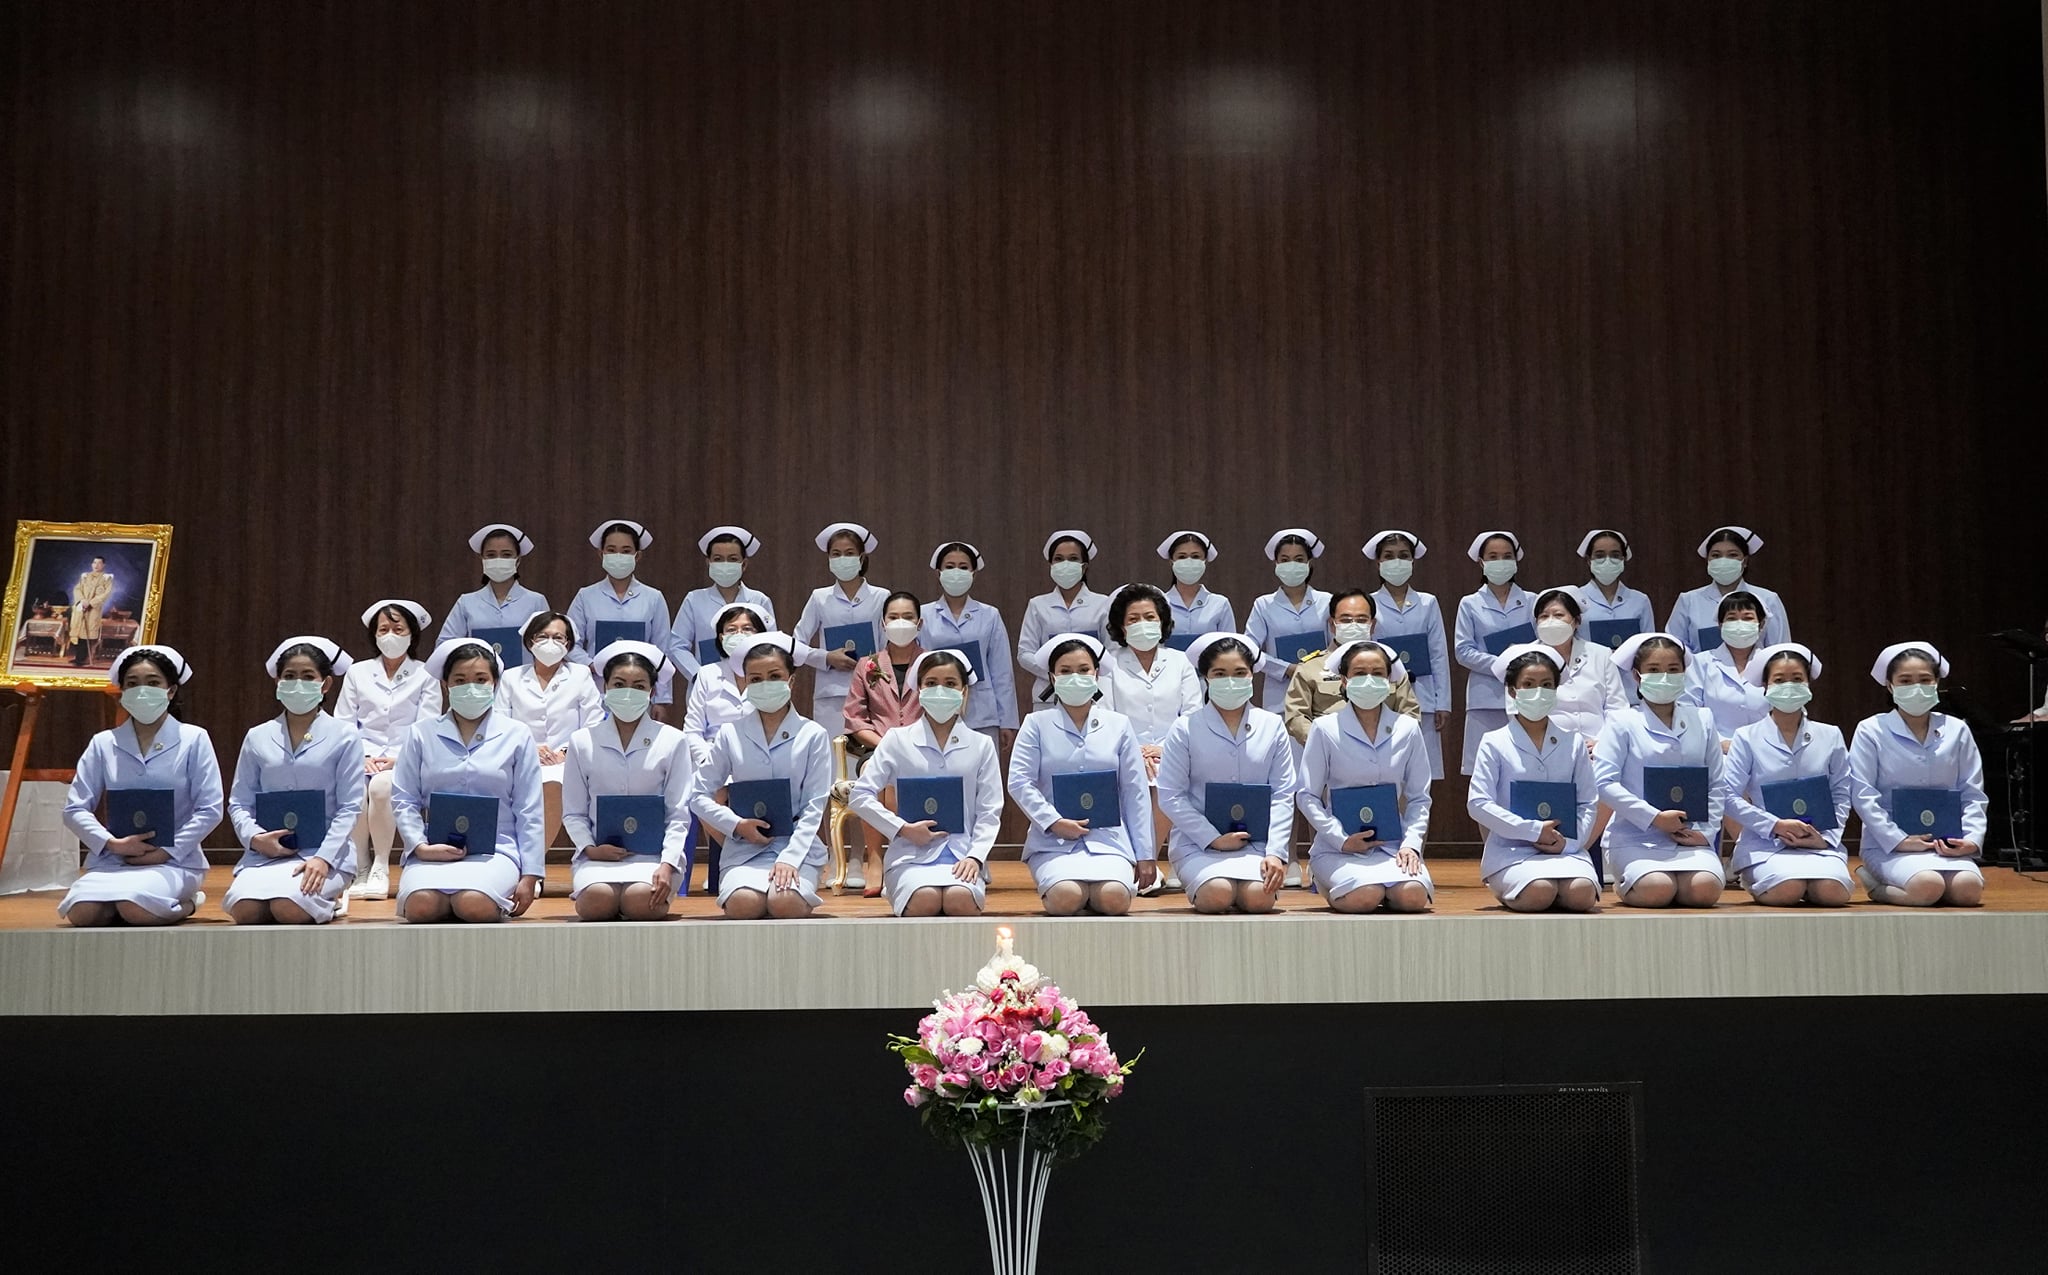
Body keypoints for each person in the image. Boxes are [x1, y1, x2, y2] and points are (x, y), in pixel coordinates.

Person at [58, 645, 222, 925]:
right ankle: (121, 905)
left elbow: (210, 809)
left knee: (135, 907)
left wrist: (166, 851)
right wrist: (111, 844)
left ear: (171, 690)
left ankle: (188, 904)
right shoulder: (103, 743)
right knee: (82, 913)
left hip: (174, 860)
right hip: (115, 858)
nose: (142, 691)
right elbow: (75, 809)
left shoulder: (194, 739)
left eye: (153, 683)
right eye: (132, 684)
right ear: (122, 692)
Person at [389, 639, 546, 922]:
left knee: (473, 903)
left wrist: (531, 874)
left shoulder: (517, 734)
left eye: (480, 679)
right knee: (421, 905)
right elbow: (404, 799)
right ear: (446, 685)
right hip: (433, 850)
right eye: (460, 680)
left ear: (495, 684)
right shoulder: (421, 734)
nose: (470, 687)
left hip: (497, 849)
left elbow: (529, 808)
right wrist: (420, 846)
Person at [1006, 634, 1155, 915]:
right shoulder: (1036, 724)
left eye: (1084, 670)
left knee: (1114, 899)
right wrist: (1053, 822)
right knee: (1066, 896)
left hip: (1109, 840)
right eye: (1065, 671)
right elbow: (1020, 782)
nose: (1075, 677)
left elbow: (1134, 792)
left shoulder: (1119, 725)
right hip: (1054, 842)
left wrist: (1145, 853)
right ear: (1052, 678)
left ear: (1096, 674)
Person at [849, 649, 1005, 917]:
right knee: (925, 899)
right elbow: (860, 795)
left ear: (964, 691)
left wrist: (975, 856)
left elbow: (990, 809)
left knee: (960, 900)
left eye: (950, 683)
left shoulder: (981, 745)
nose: (940, 691)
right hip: (909, 855)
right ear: (919, 690)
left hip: (963, 854)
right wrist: (902, 829)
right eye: (931, 683)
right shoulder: (897, 740)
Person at [222, 637, 366, 925]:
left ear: (325, 684)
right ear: (277, 682)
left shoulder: (345, 735)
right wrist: (255, 839)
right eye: (289, 676)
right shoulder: (257, 736)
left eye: (308, 676)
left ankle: (331, 901)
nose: (297, 684)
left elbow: (350, 807)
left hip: (323, 853)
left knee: (289, 908)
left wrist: (323, 858)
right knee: (244, 910)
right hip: (266, 853)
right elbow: (239, 802)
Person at [689, 633, 832, 919]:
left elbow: (814, 805)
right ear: (745, 684)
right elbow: (698, 795)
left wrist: (790, 858)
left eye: (775, 676)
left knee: (784, 901)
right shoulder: (730, 734)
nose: (765, 684)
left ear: (791, 680)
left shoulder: (813, 735)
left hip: (798, 846)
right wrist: (736, 824)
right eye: (755, 679)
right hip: (745, 848)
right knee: (743, 904)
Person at [1156, 632, 1298, 914]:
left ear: (1252, 675)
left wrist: (1275, 853)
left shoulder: (1272, 725)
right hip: (1199, 844)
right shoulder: (1185, 728)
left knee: (1259, 898)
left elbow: (1283, 794)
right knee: (1216, 893)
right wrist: (1212, 837)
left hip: (1256, 844)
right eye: (1220, 674)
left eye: (1239, 673)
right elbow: (1171, 796)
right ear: (1206, 677)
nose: (1230, 681)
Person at [1297, 639, 1435, 912]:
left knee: (1412, 897)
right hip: (1339, 847)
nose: (1369, 680)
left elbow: (1420, 798)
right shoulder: (1325, 728)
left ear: (1390, 681)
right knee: (1365, 896)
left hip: (1393, 846)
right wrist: (1340, 839)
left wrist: (1411, 845)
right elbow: (1307, 795)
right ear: (1344, 681)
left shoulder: (1407, 728)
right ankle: (1326, 881)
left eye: (1378, 673)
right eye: (1360, 673)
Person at [562, 641, 696, 921]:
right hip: (598, 856)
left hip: (655, 857)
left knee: (640, 901)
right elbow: (573, 812)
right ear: (605, 688)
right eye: (619, 684)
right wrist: (590, 848)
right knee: (596, 902)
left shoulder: (673, 740)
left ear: (652, 692)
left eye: (639, 686)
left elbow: (678, 814)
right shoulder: (582, 741)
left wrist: (668, 863)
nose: (628, 693)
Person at [1849, 642, 1988, 907]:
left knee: (1968, 891)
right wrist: (1898, 839)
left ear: (1937, 683)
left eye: (1925, 680)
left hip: (1946, 842)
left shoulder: (1957, 730)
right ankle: (1876, 886)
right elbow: (1863, 795)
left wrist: (1971, 839)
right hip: (1890, 845)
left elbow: (1972, 792)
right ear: (1890, 686)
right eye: (1905, 681)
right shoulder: (1871, 730)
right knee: (1927, 886)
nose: (1916, 687)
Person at [1593, 633, 1725, 908]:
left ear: (1684, 673)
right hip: (1636, 835)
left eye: (1673, 669)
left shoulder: (1702, 718)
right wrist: (1654, 818)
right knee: (1657, 889)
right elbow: (1603, 782)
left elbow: (1716, 781)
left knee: (1705, 890)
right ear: (1637, 676)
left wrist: (1707, 831)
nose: (1664, 677)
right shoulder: (1621, 721)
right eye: (1654, 670)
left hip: (1690, 833)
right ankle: (1625, 883)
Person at [1466, 644, 1600, 912]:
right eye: (1528, 684)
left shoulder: (1573, 742)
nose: (1538, 692)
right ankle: (1508, 889)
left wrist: (1569, 843)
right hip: (1512, 850)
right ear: (1512, 690)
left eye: (1546, 684)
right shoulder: (1494, 742)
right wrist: (1532, 830)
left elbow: (1587, 802)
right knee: (1539, 892)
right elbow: (1478, 803)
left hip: (1565, 849)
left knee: (1582, 895)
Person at [1721, 643, 1852, 906]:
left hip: (1818, 841)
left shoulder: (1830, 735)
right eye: (1779, 680)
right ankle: (1754, 879)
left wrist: (1826, 839)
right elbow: (1727, 795)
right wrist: (1774, 826)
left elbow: (1841, 792)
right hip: (1765, 843)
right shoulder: (1746, 737)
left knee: (1832, 893)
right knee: (1788, 889)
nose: (1789, 686)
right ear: (1766, 686)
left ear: (1808, 684)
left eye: (1797, 679)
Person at [1097, 583, 1201, 893]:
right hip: (1124, 752)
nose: (1142, 624)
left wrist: (1164, 749)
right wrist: (1136, 751)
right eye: (1133, 619)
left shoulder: (1180, 661)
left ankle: (1145, 863)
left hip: (1173, 751)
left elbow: (1192, 714)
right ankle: (1140, 864)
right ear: (1121, 626)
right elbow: (1105, 714)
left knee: (1166, 777)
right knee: (1143, 775)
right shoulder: (1109, 663)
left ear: (1162, 621)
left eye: (1149, 617)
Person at [337, 599, 440, 901]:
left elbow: (427, 725)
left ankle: (381, 864)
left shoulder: (426, 674)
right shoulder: (357, 672)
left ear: (412, 634)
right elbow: (344, 722)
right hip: (362, 755)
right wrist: (361, 757)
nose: (390, 635)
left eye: (398, 629)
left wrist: (399, 759)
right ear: (374, 635)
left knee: (382, 788)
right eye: (384, 629)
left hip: (405, 758)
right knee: (354, 789)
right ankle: (360, 865)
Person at [679, 602, 775, 894]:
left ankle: (743, 858)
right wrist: (712, 762)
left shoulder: (772, 672)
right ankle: (736, 857)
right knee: (708, 792)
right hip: (712, 757)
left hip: (759, 757)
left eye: (747, 629)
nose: (739, 635)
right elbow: (692, 730)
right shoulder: (707, 674)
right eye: (731, 630)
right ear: (720, 637)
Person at [497, 611, 604, 853]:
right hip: (520, 758)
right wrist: (530, 749)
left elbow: (594, 724)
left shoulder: (580, 675)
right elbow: (501, 724)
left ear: (568, 644)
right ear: (530, 641)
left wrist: (566, 751)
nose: (550, 643)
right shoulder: (511, 677)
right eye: (543, 636)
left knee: (554, 783)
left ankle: (534, 860)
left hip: (569, 760)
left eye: (558, 638)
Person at [842, 591, 926, 896]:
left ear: (919, 623)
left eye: (907, 617)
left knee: (900, 782)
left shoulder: (932, 663)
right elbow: (854, 718)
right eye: (894, 617)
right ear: (883, 623)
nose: (900, 623)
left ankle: (908, 857)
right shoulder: (868, 665)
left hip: (923, 750)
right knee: (874, 777)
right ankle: (875, 859)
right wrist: (886, 746)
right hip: (877, 749)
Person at [1282, 588, 1423, 743]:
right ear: (1332, 624)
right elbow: (1296, 716)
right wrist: (1323, 742)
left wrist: (1393, 743)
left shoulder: (1391, 664)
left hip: (1385, 747)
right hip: (1330, 749)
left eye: (1362, 620)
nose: (1354, 625)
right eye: (1346, 620)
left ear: (1372, 625)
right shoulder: (1310, 667)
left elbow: (1410, 713)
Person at [565, 519, 674, 714]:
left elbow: (662, 649)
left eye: (626, 551)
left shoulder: (653, 597)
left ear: (637, 555)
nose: (618, 556)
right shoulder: (585, 596)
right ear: (601, 554)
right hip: (595, 689)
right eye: (611, 550)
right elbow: (570, 642)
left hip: (640, 692)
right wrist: (591, 664)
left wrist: (661, 700)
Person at [1367, 530, 1451, 779]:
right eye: (1389, 556)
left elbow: (1438, 654)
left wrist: (1442, 702)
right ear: (1378, 562)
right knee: (1388, 771)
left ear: (1413, 561)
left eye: (1403, 556)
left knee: (1422, 774)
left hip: (1423, 697)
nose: (1397, 562)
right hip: (1383, 698)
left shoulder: (1428, 602)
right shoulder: (1369, 603)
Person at [794, 522, 889, 738]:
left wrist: (874, 667)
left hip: (873, 690)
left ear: (861, 558)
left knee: (871, 752)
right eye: (836, 554)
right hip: (831, 694)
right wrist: (826, 657)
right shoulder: (819, 598)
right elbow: (796, 644)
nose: (842, 559)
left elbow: (888, 646)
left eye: (849, 553)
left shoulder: (881, 596)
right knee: (833, 752)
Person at [920, 541, 1019, 749]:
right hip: (935, 708)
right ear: (938, 573)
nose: (956, 572)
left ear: (974, 574)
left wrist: (1007, 721)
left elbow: (1001, 672)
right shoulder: (923, 614)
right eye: (949, 567)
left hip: (982, 714)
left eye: (963, 567)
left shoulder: (990, 615)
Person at [1453, 531, 1533, 776]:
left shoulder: (1532, 601)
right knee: (1484, 771)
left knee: (1522, 768)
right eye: (1493, 557)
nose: (1501, 562)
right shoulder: (1470, 603)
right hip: (1485, 698)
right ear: (1481, 562)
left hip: (1526, 697)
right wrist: (1504, 665)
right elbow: (1463, 650)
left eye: (1507, 556)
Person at [670, 525, 777, 685]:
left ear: (744, 564)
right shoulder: (694, 599)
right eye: (718, 559)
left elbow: (771, 646)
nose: (725, 565)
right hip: (705, 686)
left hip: (751, 683)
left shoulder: (759, 600)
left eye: (732, 559)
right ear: (709, 563)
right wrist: (698, 676)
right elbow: (677, 646)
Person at [1016, 530, 1111, 710]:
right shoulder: (1037, 605)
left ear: (1084, 566)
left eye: (1073, 559)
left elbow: (1111, 651)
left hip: (1093, 694)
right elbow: (1025, 653)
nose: (1065, 564)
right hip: (1048, 696)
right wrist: (1058, 673)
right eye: (1059, 559)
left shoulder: (1103, 604)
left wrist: (1084, 675)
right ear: (1051, 565)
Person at [1245, 528, 1331, 713]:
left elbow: (1337, 645)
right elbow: (1249, 650)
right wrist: (1286, 669)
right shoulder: (1263, 604)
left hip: (1323, 690)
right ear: (1276, 564)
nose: (1292, 565)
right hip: (1280, 697)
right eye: (1285, 560)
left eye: (1299, 559)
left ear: (1309, 563)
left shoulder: (1327, 601)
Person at [1666, 526, 1790, 653]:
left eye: (1732, 555)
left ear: (1745, 561)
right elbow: (1674, 648)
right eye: (1716, 555)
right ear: (1707, 560)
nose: (1723, 561)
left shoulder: (1768, 599)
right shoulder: (1688, 600)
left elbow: (1780, 650)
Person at [437, 524, 550, 647]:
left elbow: (549, 643)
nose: (498, 560)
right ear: (482, 559)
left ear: (518, 560)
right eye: (491, 555)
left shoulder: (536, 601)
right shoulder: (466, 602)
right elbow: (444, 645)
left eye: (506, 555)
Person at [1685, 591, 1772, 747]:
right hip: (1714, 750)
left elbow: (1787, 709)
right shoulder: (1700, 663)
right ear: (1720, 624)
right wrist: (1719, 743)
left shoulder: (1773, 663)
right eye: (1731, 618)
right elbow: (1688, 710)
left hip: (1766, 748)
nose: (1739, 624)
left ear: (1761, 624)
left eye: (1747, 618)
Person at [1574, 530, 1656, 657]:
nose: (1608, 561)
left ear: (1623, 560)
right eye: (1600, 555)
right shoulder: (1575, 599)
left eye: (1615, 555)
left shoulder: (1640, 600)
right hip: (1589, 668)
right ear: (1589, 560)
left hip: (1631, 669)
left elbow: (1649, 647)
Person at [1156, 530, 1237, 650]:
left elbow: (1230, 648)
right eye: (1182, 557)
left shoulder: (1220, 604)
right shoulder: (1159, 603)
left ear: (1205, 561)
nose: (1189, 561)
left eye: (1195, 556)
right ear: (1171, 561)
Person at [67, 555, 113, 666]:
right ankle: (78, 657)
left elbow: (105, 594)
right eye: (94, 563)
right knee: (79, 633)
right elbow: (77, 589)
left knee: (87, 633)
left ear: (103, 565)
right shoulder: (85, 576)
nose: (96, 565)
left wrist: (91, 603)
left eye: (99, 563)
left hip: (93, 609)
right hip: (81, 607)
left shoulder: (107, 578)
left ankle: (84, 658)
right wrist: (82, 600)